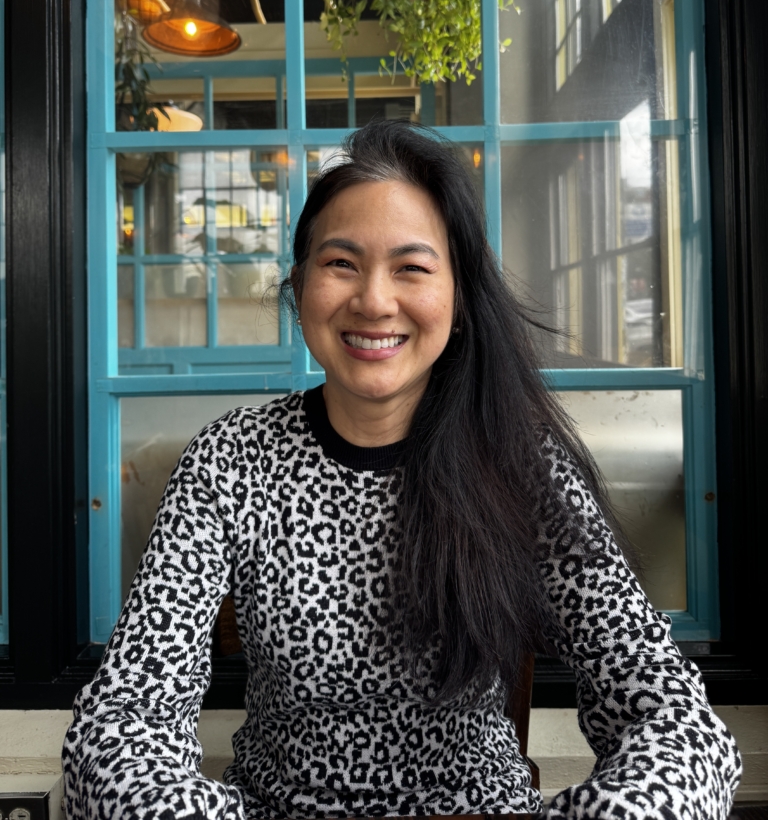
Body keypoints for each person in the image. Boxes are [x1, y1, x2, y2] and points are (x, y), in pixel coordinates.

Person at [63, 122, 741, 820]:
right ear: (299, 287)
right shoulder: (230, 459)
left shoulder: (523, 465)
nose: (374, 301)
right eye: (341, 263)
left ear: (459, 298)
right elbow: (121, 721)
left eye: (411, 268)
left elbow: (676, 719)